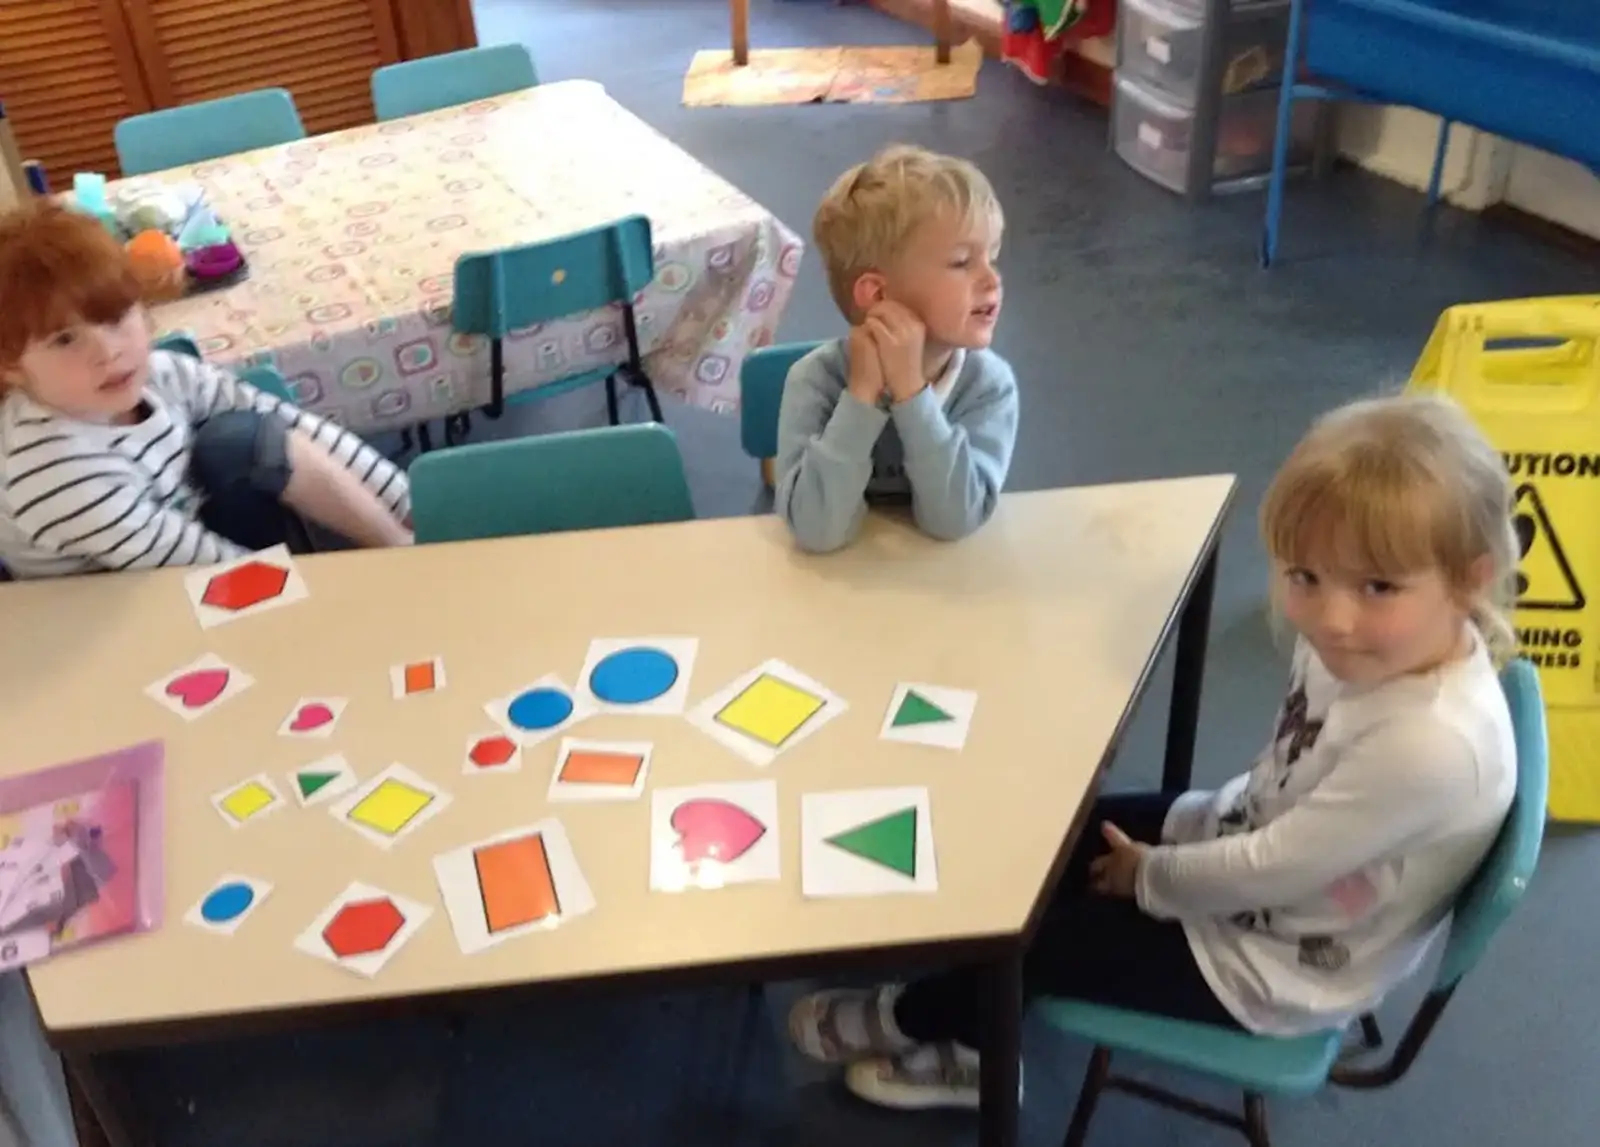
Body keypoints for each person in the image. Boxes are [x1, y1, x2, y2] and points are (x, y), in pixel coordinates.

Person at [788, 392, 1519, 1110]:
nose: (1330, 617)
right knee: (1052, 836)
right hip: (1247, 837)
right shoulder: (1376, 648)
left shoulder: (1430, 745)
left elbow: (1272, 872)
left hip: (1272, 964)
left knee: (1039, 941)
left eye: (1378, 586)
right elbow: (1281, 799)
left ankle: (926, 1030)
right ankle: (974, 1013)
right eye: (1305, 576)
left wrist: (1149, 878)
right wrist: (1168, 852)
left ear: (1469, 577)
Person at [0, 201, 412, 579]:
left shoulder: (165, 375)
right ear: (12, 366)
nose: (108, 352)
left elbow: (293, 430)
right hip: (126, 610)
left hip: (188, 536)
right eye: (64, 340)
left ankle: (401, 546)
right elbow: (199, 568)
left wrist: (411, 515)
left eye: (116, 318)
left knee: (245, 436)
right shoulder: (51, 467)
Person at [774, 145, 1020, 554]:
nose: (991, 279)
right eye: (962, 262)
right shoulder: (814, 382)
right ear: (879, 294)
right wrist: (860, 398)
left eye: (991, 256)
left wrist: (911, 394)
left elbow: (955, 521)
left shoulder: (988, 387)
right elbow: (818, 530)